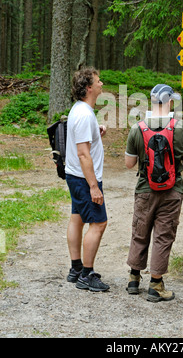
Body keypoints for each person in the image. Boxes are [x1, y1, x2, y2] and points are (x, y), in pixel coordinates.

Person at [125, 84, 183, 302]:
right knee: (163, 236)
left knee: (140, 230)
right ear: (170, 102)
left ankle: (134, 279)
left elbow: (129, 164)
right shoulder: (179, 127)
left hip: (144, 189)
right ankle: (155, 284)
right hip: (172, 190)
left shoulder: (137, 128)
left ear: (151, 102)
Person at [65, 67, 110, 293]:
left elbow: (81, 141)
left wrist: (96, 131)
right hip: (84, 179)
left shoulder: (81, 110)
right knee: (99, 223)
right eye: (98, 81)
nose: (102, 83)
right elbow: (83, 154)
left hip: (75, 176)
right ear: (89, 87)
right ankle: (86, 274)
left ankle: (75, 268)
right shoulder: (84, 114)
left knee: (77, 219)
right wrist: (94, 186)